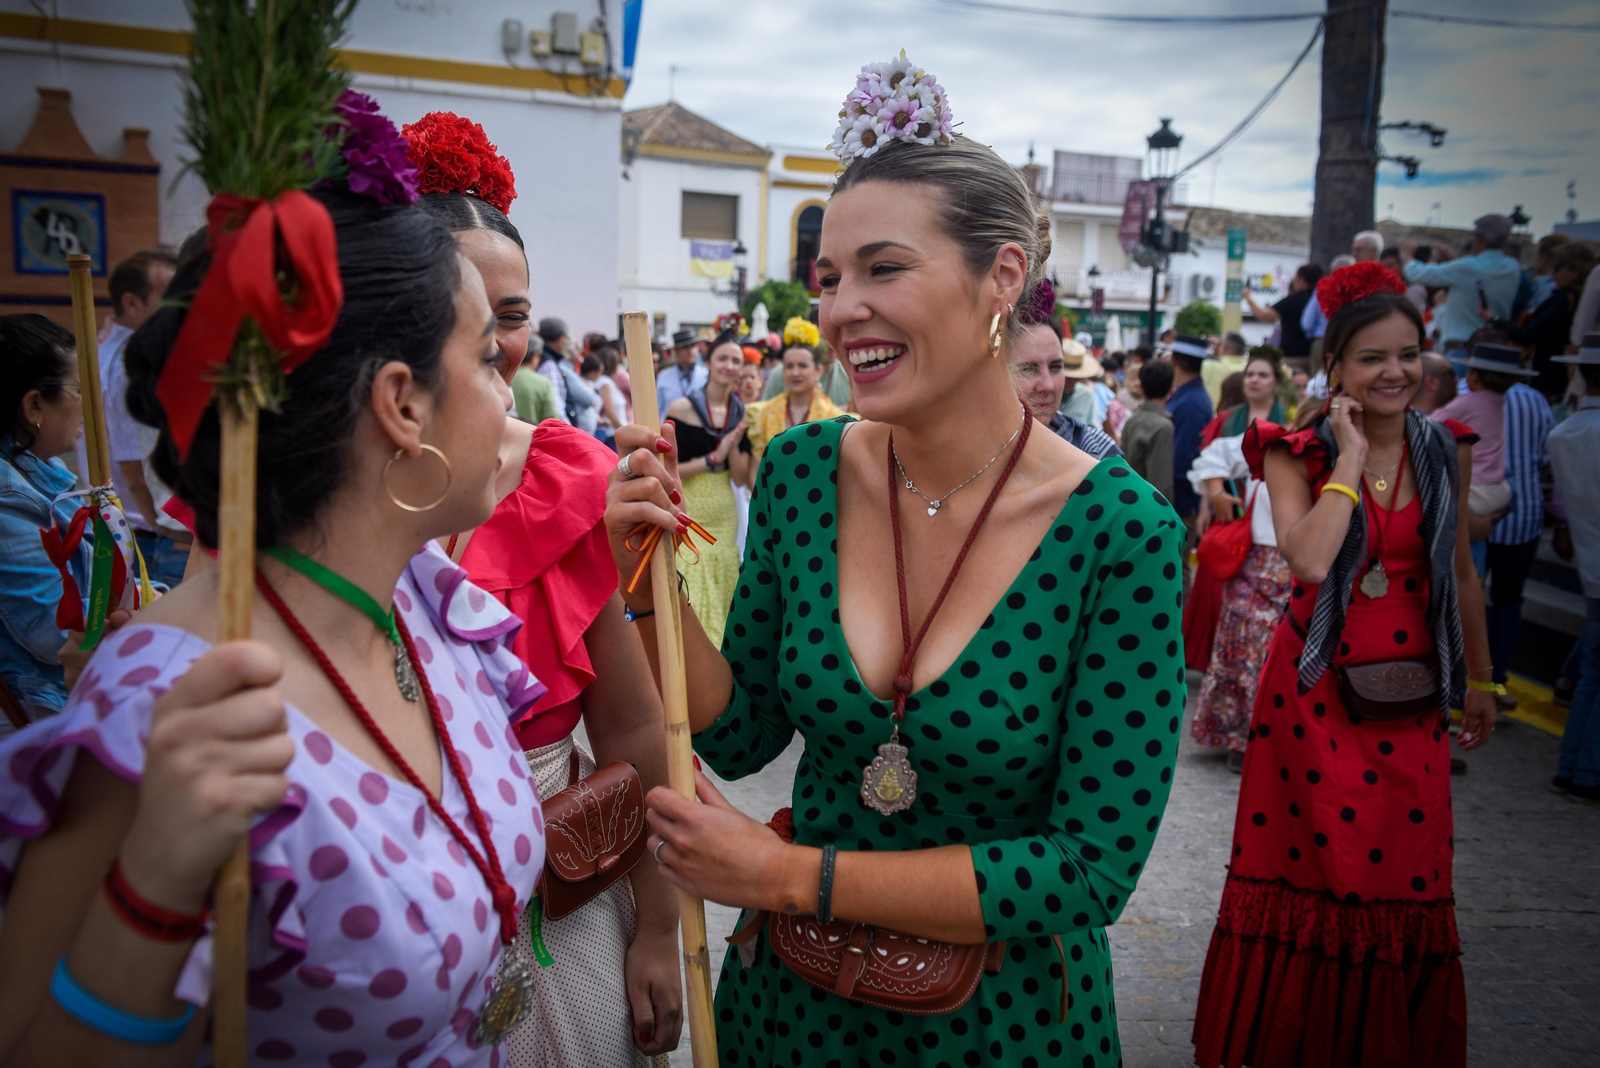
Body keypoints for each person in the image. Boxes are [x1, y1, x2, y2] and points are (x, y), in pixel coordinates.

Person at [605, 57, 1183, 1066]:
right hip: (790, 1011)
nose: (839, 312)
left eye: (884, 269)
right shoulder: (798, 471)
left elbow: (1088, 870)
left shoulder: (1121, 534)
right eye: (829, 279)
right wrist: (644, 581)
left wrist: (792, 876)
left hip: (999, 1030)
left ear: (1001, 277)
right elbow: (737, 733)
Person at [0, 125, 552, 1068]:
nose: (512, 397)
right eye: (485, 361)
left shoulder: (418, 596)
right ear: (401, 404)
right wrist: (154, 885)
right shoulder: (175, 696)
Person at [411, 116, 684, 1064]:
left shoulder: (561, 475)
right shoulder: (311, 489)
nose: (494, 344)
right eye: (465, 314)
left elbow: (634, 728)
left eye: (514, 316)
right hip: (399, 935)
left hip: (561, 911)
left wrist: (657, 923)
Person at [1191, 269, 1494, 1068]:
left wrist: (1484, 681)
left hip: (1415, 689)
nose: (1395, 372)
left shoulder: (1443, 448)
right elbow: (1313, 558)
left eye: (1409, 354)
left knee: (1406, 872)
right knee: (1318, 867)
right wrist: (1352, 455)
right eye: (1371, 359)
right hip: (1316, 690)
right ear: (1335, 370)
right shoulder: (1296, 450)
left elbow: (1461, 571)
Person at [1186, 353, 1291, 771]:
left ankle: (1269, 735)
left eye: (1263, 374)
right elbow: (1211, 458)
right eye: (1250, 374)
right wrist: (1215, 495)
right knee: (1243, 647)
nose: (1254, 380)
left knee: (1272, 651)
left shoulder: (1294, 426)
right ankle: (1239, 736)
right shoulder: (1240, 425)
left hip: (1290, 557)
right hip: (1248, 550)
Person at [0, 315, 95, 726]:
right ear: (35, 404)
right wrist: (166, 610)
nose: (86, 405)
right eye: (78, 389)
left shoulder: (45, 471)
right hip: (35, 712)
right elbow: (54, 628)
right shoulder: (7, 497)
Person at [664, 335, 749, 648]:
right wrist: (711, 458)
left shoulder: (741, 413)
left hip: (724, 507)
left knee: (723, 570)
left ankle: (720, 652)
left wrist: (738, 441)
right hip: (690, 499)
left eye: (736, 361)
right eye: (722, 359)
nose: (728, 366)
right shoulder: (682, 408)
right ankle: (689, 647)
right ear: (709, 362)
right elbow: (669, 467)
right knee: (691, 567)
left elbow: (739, 478)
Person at [1548, 334, 1600, 802]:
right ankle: (1584, 769)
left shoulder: (1564, 433)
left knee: (1592, 671)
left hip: (1589, 562)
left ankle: (1575, 765)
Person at [1432, 341, 1532, 572]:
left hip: (1476, 491)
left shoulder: (1468, 402)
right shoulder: (1499, 402)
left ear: (1474, 377)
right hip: (1500, 490)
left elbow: (1431, 423)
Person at [1008, 300, 1121, 459]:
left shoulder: (1097, 452)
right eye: (1028, 369)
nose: (1048, 385)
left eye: (1055, 367)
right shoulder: (969, 449)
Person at [1486, 242, 1595, 400]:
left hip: (1550, 380)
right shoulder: (1576, 298)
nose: (1553, 274)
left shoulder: (1563, 301)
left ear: (1574, 270)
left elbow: (1530, 335)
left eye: (1557, 267)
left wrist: (1494, 319)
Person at [1400, 215, 1522, 354]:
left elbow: (1417, 273)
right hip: (1496, 348)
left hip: (1462, 349)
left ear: (1480, 238)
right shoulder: (1513, 268)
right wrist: (1452, 259)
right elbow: (1477, 274)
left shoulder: (1467, 267)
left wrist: (1406, 255)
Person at [742, 336, 847, 472]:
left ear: (818, 371)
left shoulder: (835, 418)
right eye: (789, 366)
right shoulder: (763, 413)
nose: (795, 373)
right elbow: (756, 472)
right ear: (783, 371)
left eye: (802, 366)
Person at [1166, 334, 1216, 527]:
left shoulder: (1190, 402)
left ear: (1174, 361)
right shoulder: (1188, 395)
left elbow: (1182, 459)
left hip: (1181, 502)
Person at [1300, 232, 1381, 342]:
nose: (1355, 254)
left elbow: (1307, 323)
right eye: (1354, 250)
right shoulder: (1335, 285)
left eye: (1359, 249)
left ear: (1374, 251)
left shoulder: (1379, 279)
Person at [1122, 358, 1176, 503]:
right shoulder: (1164, 427)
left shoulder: (1132, 420)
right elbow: (1161, 483)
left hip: (1131, 499)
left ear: (1141, 388)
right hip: (1151, 507)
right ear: (1171, 389)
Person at [1243, 264, 1323, 360]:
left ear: (1301, 280)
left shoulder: (1295, 299)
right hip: (1315, 353)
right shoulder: (1320, 299)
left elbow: (1264, 316)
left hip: (1292, 356)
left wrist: (1248, 298)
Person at [511, 337, 561, 424]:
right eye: (540, 357)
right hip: (532, 435)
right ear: (534, 355)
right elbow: (551, 419)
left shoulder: (505, 376)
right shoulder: (543, 383)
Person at [656, 329, 707, 409]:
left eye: (693, 346)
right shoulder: (664, 376)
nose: (690, 351)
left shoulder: (706, 375)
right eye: (685, 347)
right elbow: (659, 409)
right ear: (676, 351)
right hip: (670, 421)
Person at [1058, 336, 1103, 425]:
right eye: (1068, 378)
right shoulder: (1043, 393)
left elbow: (1095, 430)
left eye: (1076, 377)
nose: (1073, 381)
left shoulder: (1086, 396)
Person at [1201, 332, 1249, 408]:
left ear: (1224, 347)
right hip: (1243, 418)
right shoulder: (1251, 370)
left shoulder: (1209, 366)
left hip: (1215, 418)